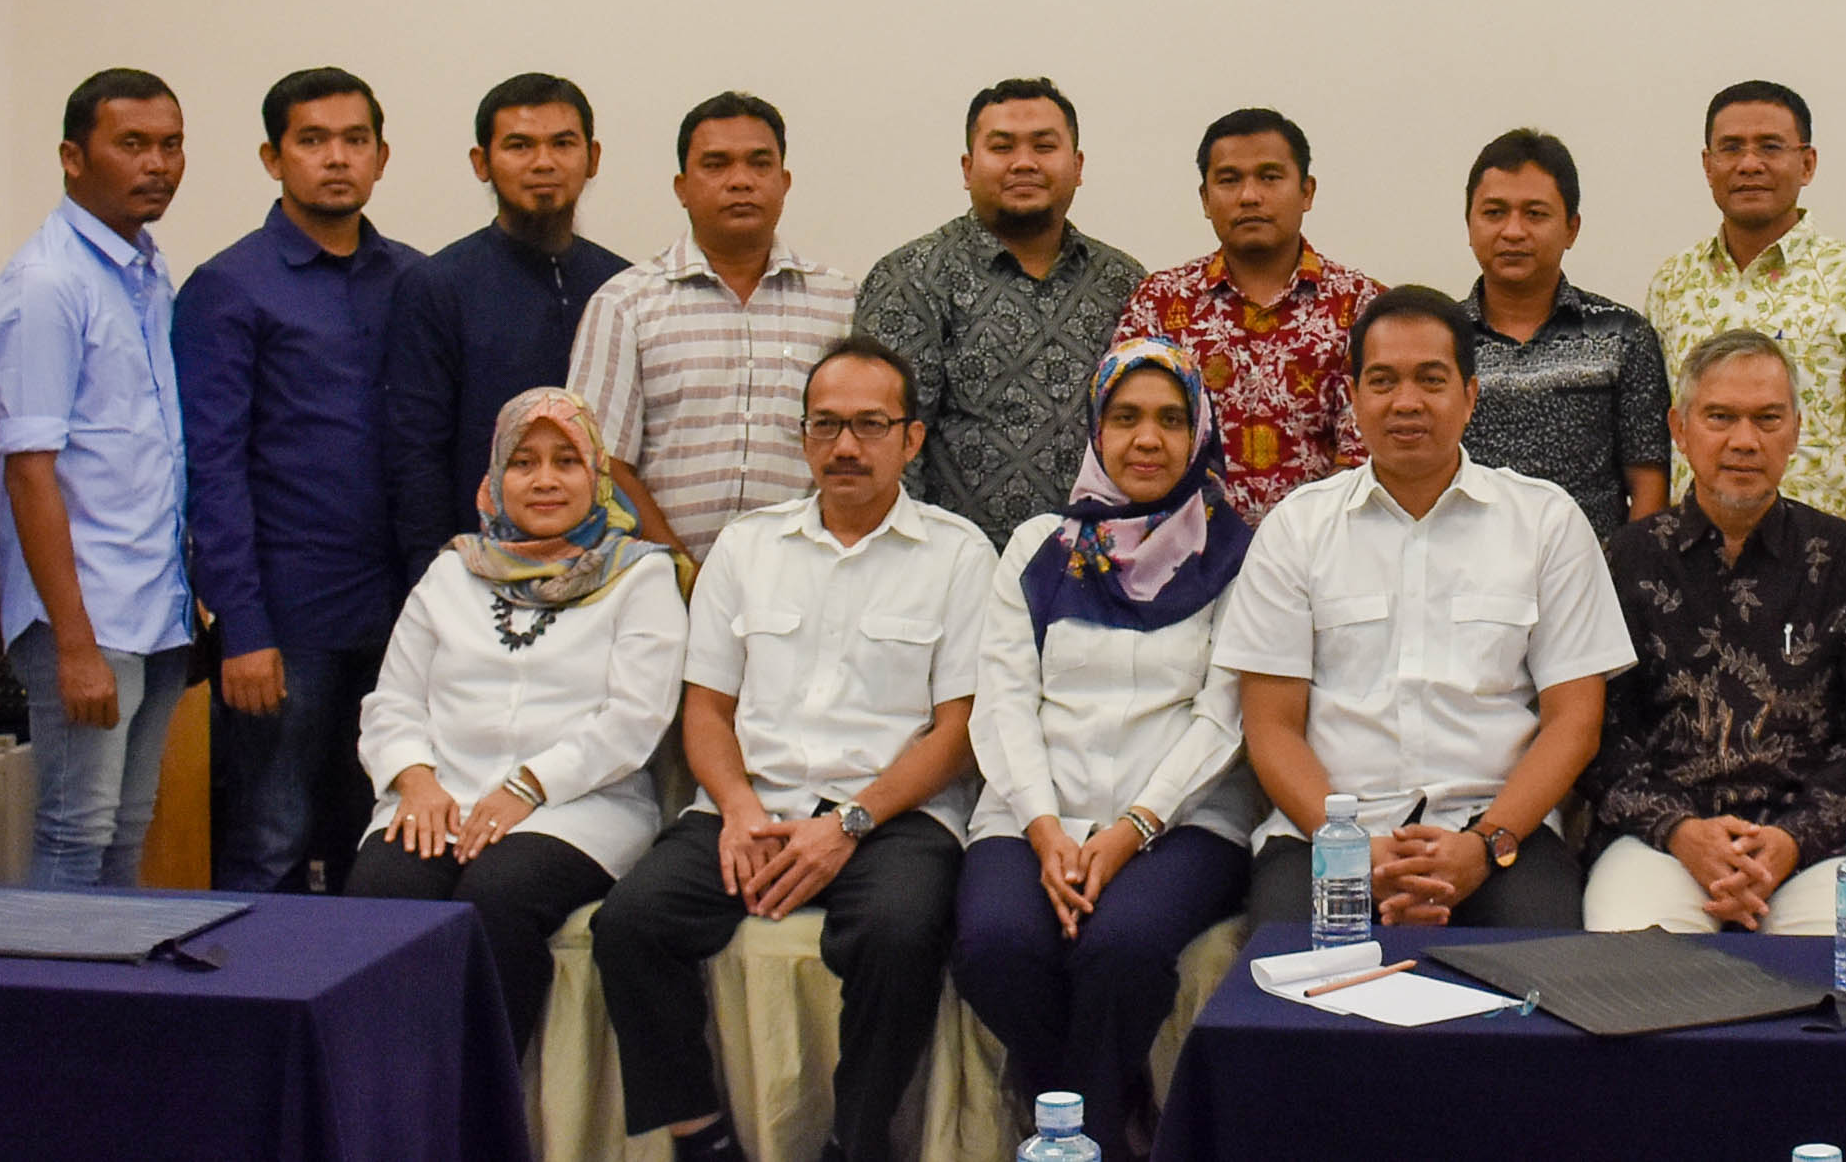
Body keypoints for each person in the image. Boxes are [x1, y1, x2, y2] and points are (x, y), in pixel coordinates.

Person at [592, 340, 982, 1162]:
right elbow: (706, 709)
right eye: (826, 425)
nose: (846, 446)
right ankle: (701, 1138)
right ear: (802, 437)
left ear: (912, 439)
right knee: (631, 925)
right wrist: (735, 809)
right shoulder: (745, 546)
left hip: (893, 810)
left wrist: (848, 822)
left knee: (900, 934)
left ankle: (855, 1139)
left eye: (871, 426)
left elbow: (960, 729)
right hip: (753, 799)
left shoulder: (960, 555)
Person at [1219, 286, 1631, 930]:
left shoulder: (1546, 521)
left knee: (1537, 985)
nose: (1406, 402)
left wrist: (1485, 844)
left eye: (1431, 380)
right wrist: (1358, 849)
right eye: (1382, 381)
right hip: (1327, 833)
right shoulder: (1296, 528)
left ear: (1470, 395)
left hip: (1497, 832)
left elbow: (1574, 721)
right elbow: (1271, 727)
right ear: (1353, 398)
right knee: (1290, 992)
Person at [951, 345, 1261, 1154]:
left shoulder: (1237, 553)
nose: (1147, 439)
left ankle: (1069, 1136)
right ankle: (1108, 1111)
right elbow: (1006, 700)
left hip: (1184, 817)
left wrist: (1131, 830)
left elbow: (1223, 718)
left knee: (1121, 949)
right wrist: (1046, 828)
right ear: (1095, 431)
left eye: (1170, 419)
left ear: (1200, 432)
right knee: (995, 949)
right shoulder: (1038, 548)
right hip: (1035, 810)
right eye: (1125, 418)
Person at [347, 387, 686, 1045]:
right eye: (523, 462)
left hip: (580, 804)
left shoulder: (641, 576)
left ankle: (479, 1108)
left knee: (495, 896)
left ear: (598, 474)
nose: (545, 480)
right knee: (382, 892)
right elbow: (392, 702)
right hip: (439, 796)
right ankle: (389, 1103)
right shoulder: (452, 571)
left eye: (567, 461)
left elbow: (635, 718)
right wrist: (415, 781)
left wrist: (527, 786)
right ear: (496, 476)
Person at [179, 66, 425, 895]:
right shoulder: (229, 287)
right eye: (312, 140)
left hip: (398, 615)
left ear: (382, 157)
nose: (336, 159)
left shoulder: (411, 280)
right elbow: (211, 468)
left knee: (380, 833)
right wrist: (240, 627)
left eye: (355, 140)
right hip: (285, 623)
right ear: (271, 156)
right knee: (269, 839)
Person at [1581, 330, 1846, 934]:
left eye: (1767, 419)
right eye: (1720, 418)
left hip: (1814, 841)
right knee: (1631, 961)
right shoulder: (1625, 559)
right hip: (1662, 839)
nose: (1744, 441)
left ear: (1798, 429)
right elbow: (1596, 737)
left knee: (1844, 963)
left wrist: (1788, 841)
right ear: (1680, 428)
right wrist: (1682, 834)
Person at [0, 68, 196, 887]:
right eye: (131, 144)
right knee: (73, 838)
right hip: (87, 618)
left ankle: (115, 1012)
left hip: (153, 608)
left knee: (124, 838)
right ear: (73, 157)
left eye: (171, 145)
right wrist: (73, 646)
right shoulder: (47, 285)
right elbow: (30, 476)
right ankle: (51, 1015)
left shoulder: (143, 269)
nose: (157, 164)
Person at [1641, 81, 1846, 552]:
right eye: (1731, 148)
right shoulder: (1672, 285)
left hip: (1822, 576)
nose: (1749, 164)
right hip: (1693, 574)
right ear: (1707, 165)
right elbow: (1658, 441)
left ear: (1807, 164)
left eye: (1770, 147)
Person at [568, 90, 858, 561]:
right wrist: (682, 574)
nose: (740, 181)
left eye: (759, 164)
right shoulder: (625, 303)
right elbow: (600, 462)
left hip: (810, 582)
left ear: (784, 181)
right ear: (681, 186)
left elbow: (864, 450)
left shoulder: (839, 302)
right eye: (716, 164)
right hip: (660, 587)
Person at [858, 76, 1147, 545]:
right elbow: (886, 441)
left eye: (1043, 146)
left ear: (1077, 166)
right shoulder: (912, 277)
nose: (1024, 163)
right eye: (1003, 146)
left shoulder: (1123, 282)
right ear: (968, 168)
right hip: (959, 572)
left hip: (1103, 567)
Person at [381, 75, 630, 586]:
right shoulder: (437, 285)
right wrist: (434, 583)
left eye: (562, 143)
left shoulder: (624, 288)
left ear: (594, 157)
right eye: (520, 145)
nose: (544, 162)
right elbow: (416, 457)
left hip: (607, 576)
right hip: (475, 574)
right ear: (482, 162)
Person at [1113, 109, 1378, 524]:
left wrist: (1296, 545)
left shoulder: (1360, 306)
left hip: (1324, 553)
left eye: (1270, 177)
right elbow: (1125, 436)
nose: (1249, 196)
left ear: (1306, 192)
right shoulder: (1161, 303)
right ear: (1205, 198)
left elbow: (1367, 454)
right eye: (1229, 179)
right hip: (1183, 555)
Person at [1458, 128, 1672, 539]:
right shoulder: (1442, 339)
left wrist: (1623, 576)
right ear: (1470, 225)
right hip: (1464, 576)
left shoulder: (1620, 335)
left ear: (1572, 228)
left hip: (1589, 576)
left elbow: (1648, 483)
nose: (1514, 231)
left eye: (1535, 214)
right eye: (1494, 212)